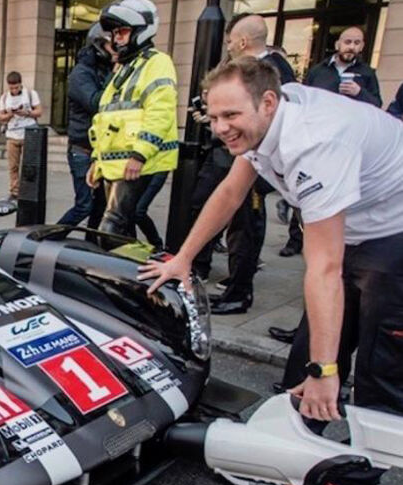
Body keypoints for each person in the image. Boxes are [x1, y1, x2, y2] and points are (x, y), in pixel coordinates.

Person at [141, 58, 403, 456]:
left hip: (394, 233)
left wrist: (325, 370)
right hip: (356, 223)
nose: (219, 127)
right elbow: (230, 193)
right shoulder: (265, 123)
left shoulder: (314, 144)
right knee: (309, 353)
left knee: (378, 367)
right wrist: (183, 258)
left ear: (267, 102)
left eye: (230, 115)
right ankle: (298, 450)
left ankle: (354, 482)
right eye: (212, 117)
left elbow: (324, 269)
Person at [191, 13, 296, 315]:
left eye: (229, 41)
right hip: (238, 157)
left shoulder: (273, 72)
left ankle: (239, 291)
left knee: (245, 228)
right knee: (219, 209)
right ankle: (211, 275)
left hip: (261, 164)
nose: (228, 46)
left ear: (242, 40)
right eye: (216, 118)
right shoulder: (239, 72)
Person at [280, 26, 383, 259]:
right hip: (317, 140)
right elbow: (302, 100)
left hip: (349, 142)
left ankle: (340, 240)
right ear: (338, 44)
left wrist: (360, 93)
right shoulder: (319, 71)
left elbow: (377, 105)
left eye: (357, 42)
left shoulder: (367, 74)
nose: (351, 47)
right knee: (305, 190)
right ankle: (296, 239)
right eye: (348, 41)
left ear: (363, 46)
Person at [88, 0, 178, 244]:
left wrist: (140, 154)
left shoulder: (157, 62)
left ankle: (118, 276)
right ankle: (132, 278)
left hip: (137, 163)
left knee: (110, 230)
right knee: (123, 229)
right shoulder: (126, 68)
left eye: (123, 32)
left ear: (142, 30)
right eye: (115, 33)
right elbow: (103, 120)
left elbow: (161, 112)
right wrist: (97, 160)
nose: (117, 39)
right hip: (116, 165)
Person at [58, 23, 113, 228]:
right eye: (110, 44)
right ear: (99, 45)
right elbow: (96, 102)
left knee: (101, 205)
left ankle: (92, 242)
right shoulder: (81, 73)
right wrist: (116, 76)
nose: (115, 49)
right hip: (81, 150)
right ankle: (48, 239)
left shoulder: (104, 69)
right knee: (84, 205)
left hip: (99, 150)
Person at [0, 71, 42, 202]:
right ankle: (14, 191)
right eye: (11, 88)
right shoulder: (4, 98)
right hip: (12, 135)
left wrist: (26, 113)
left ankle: (30, 190)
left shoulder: (30, 94)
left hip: (29, 134)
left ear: (21, 84)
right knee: (13, 166)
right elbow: (1, 117)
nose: (14, 90)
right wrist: (10, 114)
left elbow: (39, 111)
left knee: (29, 165)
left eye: (16, 87)